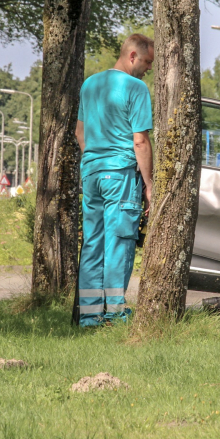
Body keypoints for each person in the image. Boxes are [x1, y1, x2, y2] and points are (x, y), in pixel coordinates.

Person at [75, 33, 154, 326]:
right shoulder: (136, 88)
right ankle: (115, 312)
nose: (148, 69)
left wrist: (94, 159)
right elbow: (140, 141)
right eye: (147, 62)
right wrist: (149, 184)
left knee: (93, 242)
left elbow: (79, 133)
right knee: (119, 241)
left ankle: (90, 316)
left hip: (92, 172)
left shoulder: (90, 84)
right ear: (132, 56)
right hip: (120, 173)